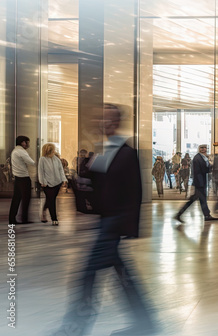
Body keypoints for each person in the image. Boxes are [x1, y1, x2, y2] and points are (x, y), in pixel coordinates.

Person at [55, 103, 155, 335]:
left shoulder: (127, 153)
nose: (104, 123)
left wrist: (128, 226)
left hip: (113, 223)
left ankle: (73, 328)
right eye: (101, 119)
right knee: (123, 274)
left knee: (89, 273)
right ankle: (146, 323)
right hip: (106, 221)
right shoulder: (103, 150)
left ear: (117, 122)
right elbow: (93, 187)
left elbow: (134, 192)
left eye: (109, 119)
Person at [174, 144, 218, 224]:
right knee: (195, 200)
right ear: (199, 149)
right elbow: (203, 169)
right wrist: (211, 166)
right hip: (199, 183)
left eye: (205, 148)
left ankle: (206, 215)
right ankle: (179, 214)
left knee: (202, 200)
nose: (204, 149)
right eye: (202, 148)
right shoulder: (198, 158)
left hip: (201, 182)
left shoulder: (202, 157)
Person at [37, 143, 67, 225]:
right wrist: (43, 182)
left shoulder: (56, 159)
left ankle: (43, 211)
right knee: (52, 201)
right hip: (47, 184)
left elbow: (61, 170)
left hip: (57, 183)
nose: (54, 151)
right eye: (53, 150)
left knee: (50, 200)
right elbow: (41, 172)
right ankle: (54, 219)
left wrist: (64, 180)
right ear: (48, 151)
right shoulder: (42, 159)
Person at [8, 135, 34, 224]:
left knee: (16, 199)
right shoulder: (21, 151)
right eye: (27, 142)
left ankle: (12, 219)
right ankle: (24, 219)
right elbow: (31, 162)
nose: (28, 144)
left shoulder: (15, 150)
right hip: (24, 178)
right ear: (23, 143)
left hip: (18, 178)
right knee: (26, 199)